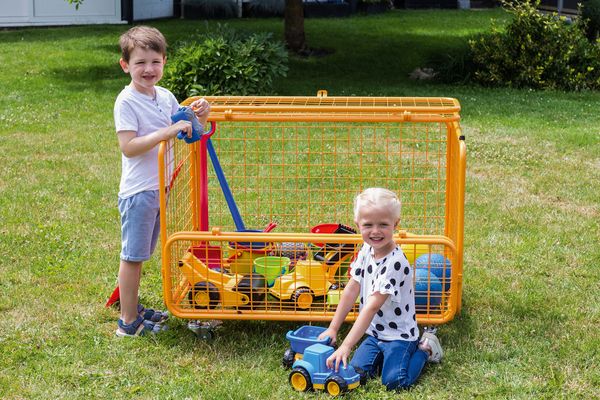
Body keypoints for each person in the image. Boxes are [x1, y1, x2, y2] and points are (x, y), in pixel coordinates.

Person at [114, 25, 210, 337]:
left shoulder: (165, 97)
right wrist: (166, 132)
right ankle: (128, 323)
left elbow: (191, 134)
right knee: (133, 257)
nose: (148, 69)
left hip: (160, 189)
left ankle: (134, 308)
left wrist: (201, 116)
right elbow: (129, 147)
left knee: (143, 253)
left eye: (155, 62)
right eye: (140, 63)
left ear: (164, 62)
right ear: (125, 65)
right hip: (139, 192)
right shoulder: (126, 102)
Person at [318, 187, 443, 390]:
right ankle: (383, 360)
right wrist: (333, 328)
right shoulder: (367, 249)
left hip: (400, 336)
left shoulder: (395, 263)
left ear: (395, 224)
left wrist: (346, 345)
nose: (375, 231)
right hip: (375, 333)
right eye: (368, 225)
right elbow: (352, 288)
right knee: (356, 374)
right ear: (358, 225)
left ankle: (425, 348)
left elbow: (372, 307)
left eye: (383, 224)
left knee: (395, 382)